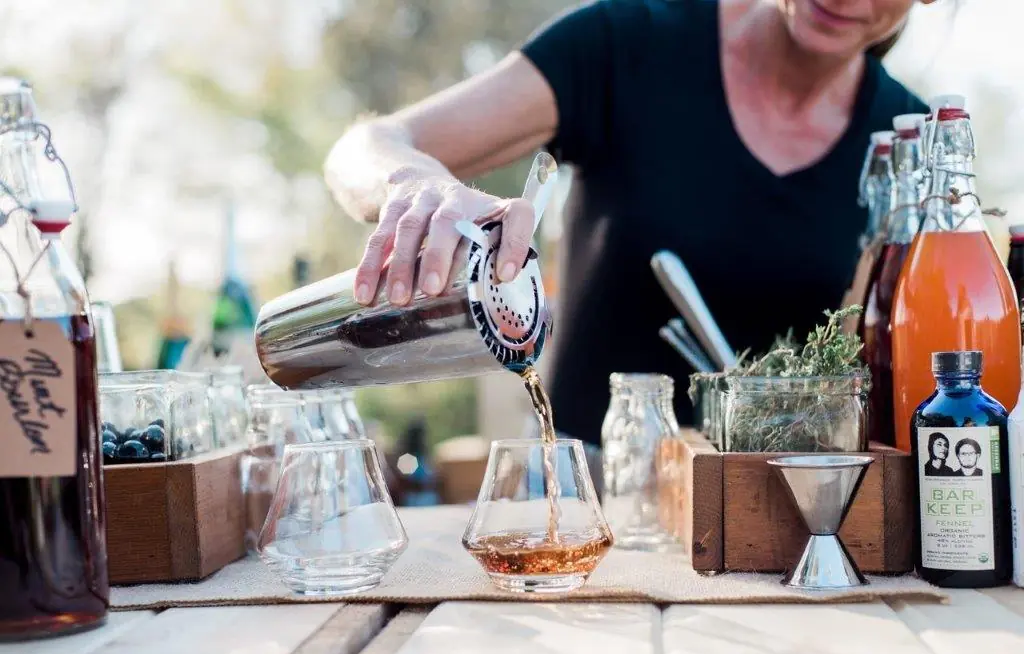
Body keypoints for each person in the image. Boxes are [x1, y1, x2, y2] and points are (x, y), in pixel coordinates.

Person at [324, 0, 933, 446]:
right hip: (588, 506)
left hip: (786, 525)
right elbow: (365, 147)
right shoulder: (625, 46)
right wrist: (415, 182)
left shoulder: (915, 145)